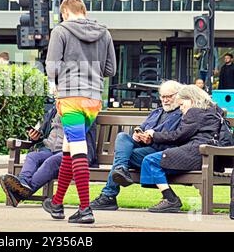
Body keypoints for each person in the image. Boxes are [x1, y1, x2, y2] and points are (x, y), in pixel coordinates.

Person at [43, 0, 116, 224]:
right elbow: (110, 69)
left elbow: (51, 67)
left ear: (65, 12)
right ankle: (56, 203)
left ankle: (85, 209)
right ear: (83, 10)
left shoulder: (61, 31)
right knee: (68, 148)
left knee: (77, 150)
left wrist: (58, 80)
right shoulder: (104, 32)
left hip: (71, 98)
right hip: (93, 101)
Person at [90, 80, 183, 211]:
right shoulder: (156, 112)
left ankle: (108, 195)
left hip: (161, 153)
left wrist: (152, 138)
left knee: (125, 156)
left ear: (178, 96)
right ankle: (121, 170)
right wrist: (138, 135)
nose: (166, 100)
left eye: (169, 96)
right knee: (123, 136)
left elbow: (176, 137)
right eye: (163, 96)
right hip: (144, 147)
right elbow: (142, 128)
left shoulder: (182, 114)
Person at [140, 84, 221, 213]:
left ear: (192, 101)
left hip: (196, 152)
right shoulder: (211, 110)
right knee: (154, 160)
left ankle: (171, 199)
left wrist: (154, 135)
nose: (181, 108)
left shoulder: (194, 112)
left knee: (151, 160)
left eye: (182, 104)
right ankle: (169, 198)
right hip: (205, 153)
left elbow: (178, 136)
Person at [0, 104, 98, 207]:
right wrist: (35, 137)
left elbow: (82, 138)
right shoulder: (54, 110)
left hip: (70, 152)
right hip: (49, 149)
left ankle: (23, 192)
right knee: (32, 156)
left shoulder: (82, 110)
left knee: (51, 161)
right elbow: (43, 132)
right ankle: (22, 182)